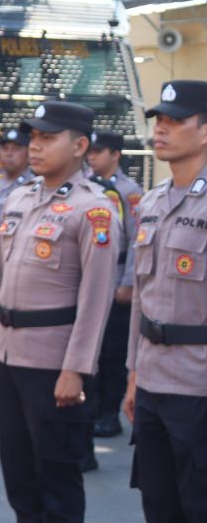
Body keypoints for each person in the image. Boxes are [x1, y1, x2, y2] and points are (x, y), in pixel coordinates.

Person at [0, 102, 120, 523]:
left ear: (79, 145)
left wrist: (75, 370)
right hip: (12, 358)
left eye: (47, 137)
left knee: (56, 470)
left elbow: (96, 302)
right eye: (32, 136)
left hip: (55, 363)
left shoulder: (94, 209)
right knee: (16, 466)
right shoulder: (19, 199)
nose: (34, 145)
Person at [122, 80, 207, 523]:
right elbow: (141, 298)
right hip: (153, 381)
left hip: (199, 385)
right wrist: (133, 374)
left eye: (176, 121)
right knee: (161, 510)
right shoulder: (152, 202)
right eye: (159, 120)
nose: (162, 129)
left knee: (201, 514)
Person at [85, 129, 143, 440]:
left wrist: (128, 282)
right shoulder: (85, 186)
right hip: (91, 279)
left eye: (99, 151)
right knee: (90, 351)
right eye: (90, 151)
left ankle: (110, 412)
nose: (92, 156)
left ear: (115, 155)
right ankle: (91, 410)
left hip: (118, 277)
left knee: (112, 353)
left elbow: (136, 240)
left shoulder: (130, 191)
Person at [0, 128, 33, 203]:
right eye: (5, 148)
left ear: (28, 153)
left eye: (16, 149)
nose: (9, 154)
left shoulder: (35, 186)